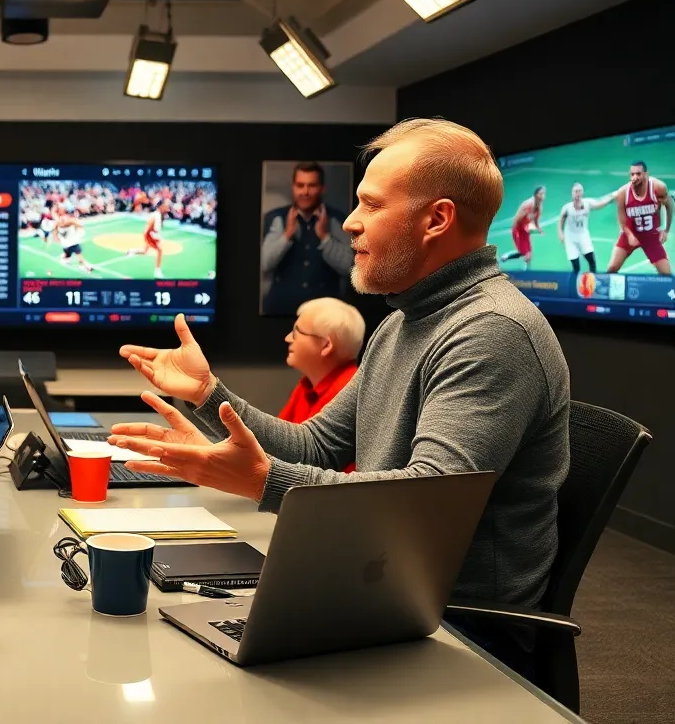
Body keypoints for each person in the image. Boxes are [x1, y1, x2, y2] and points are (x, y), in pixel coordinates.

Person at [109, 118, 569, 681]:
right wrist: (208, 395)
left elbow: (425, 502)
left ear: (437, 219)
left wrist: (261, 480)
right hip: (379, 589)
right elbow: (317, 443)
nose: (349, 222)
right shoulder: (405, 322)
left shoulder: (490, 331)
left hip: (459, 635)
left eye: (371, 205)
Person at [278, 297, 363, 473]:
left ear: (325, 345)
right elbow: (276, 443)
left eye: (296, 332)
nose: (287, 338)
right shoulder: (307, 384)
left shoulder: (350, 392)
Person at [260, 162, 353, 315]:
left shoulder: (338, 220)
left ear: (322, 188)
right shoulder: (277, 218)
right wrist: (287, 234)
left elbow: (348, 269)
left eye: (312, 185)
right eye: (300, 185)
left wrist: (325, 237)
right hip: (280, 311)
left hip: (325, 315)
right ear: (293, 187)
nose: (305, 192)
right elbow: (264, 264)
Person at [607, 160, 672, 275]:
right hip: (630, 233)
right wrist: (630, 235)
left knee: (667, 274)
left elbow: (670, 205)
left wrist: (666, 230)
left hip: (651, 235)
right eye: (632, 174)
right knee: (612, 268)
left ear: (646, 174)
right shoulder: (623, 193)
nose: (635, 177)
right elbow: (622, 221)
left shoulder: (658, 187)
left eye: (638, 174)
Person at [558, 182, 615, 273]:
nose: (578, 193)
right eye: (576, 191)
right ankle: (574, 284)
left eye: (580, 191)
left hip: (583, 235)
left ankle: (593, 280)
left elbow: (599, 205)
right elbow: (561, 220)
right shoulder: (567, 208)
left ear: (582, 193)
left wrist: (611, 199)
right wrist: (560, 234)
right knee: (576, 265)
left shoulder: (587, 203)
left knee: (591, 259)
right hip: (570, 237)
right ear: (572, 193)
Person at [500, 187, 544, 268]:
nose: (543, 196)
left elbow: (535, 220)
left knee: (528, 254)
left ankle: (526, 272)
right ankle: (506, 256)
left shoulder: (539, 206)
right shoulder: (527, 205)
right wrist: (526, 217)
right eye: (541, 194)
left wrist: (539, 229)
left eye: (543, 194)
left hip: (525, 230)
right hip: (518, 230)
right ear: (536, 195)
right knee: (525, 253)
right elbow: (517, 220)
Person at [126, 199, 168, 278]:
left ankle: (131, 250)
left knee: (145, 252)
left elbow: (157, 229)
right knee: (160, 250)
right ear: (161, 206)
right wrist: (152, 238)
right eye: (165, 206)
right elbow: (149, 228)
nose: (166, 207)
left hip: (152, 235)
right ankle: (157, 271)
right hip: (149, 235)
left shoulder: (161, 215)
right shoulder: (155, 215)